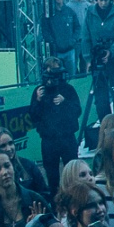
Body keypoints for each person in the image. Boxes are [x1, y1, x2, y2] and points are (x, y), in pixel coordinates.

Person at [30, 59, 83, 192]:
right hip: (49, 140)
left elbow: (77, 110)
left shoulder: (67, 89)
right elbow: (33, 117)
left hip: (67, 137)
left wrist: (64, 102)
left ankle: (76, 197)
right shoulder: (39, 91)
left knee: (73, 173)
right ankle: (55, 201)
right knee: (52, 176)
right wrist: (38, 100)